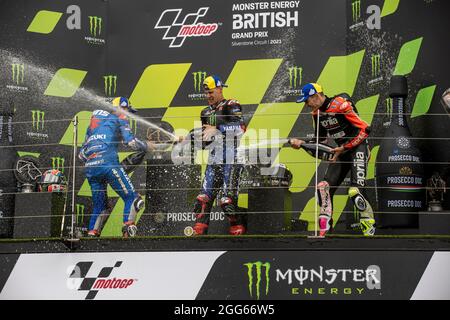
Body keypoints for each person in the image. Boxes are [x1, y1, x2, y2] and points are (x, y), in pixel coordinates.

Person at [289, 83, 376, 237]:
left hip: (358, 148)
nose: (306, 105)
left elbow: (365, 129)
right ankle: (326, 230)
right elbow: (320, 142)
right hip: (341, 152)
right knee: (323, 187)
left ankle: (369, 225)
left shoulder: (341, 105)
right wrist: (302, 144)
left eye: (307, 101)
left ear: (316, 96)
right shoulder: (316, 114)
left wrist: (345, 147)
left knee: (355, 192)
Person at [79, 97, 153, 238]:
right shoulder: (120, 116)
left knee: (100, 207)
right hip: (109, 164)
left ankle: (92, 236)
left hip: (91, 169)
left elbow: (81, 155)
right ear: (122, 108)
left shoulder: (94, 124)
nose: (129, 114)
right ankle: (128, 235)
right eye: (128, 111)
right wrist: (146, 146)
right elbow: (130, 142)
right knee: (133, 199)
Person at [191, 75, 247, 235]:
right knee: (202, 200)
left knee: (226, 201)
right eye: (206, 93)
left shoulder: (232, 105)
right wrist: (194, 140)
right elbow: (207, 140)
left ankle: (238, 227)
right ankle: (199, 232)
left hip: (232, 159)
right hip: (213, 160)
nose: (208, 95)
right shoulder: (205, 112)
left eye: (211, 92)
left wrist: (217, 129)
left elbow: (240, 128)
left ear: (220, 89)